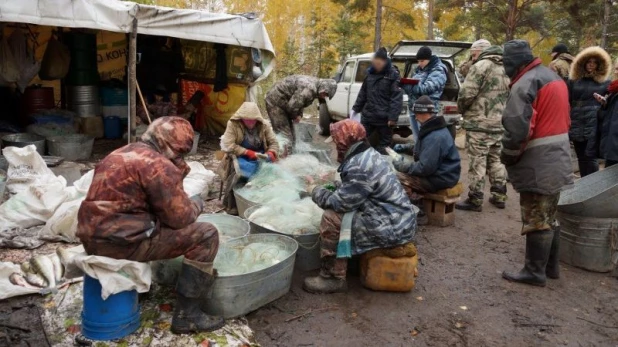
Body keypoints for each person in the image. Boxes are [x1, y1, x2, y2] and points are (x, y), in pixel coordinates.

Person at [76, 117, 224, 333]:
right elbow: (180, 219)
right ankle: (187, 315)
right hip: (122, 244)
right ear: (172, 146)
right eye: (180, 152)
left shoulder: (121, 152)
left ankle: (141, 290)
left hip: (93, 237)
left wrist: (177, 172)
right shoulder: (158, 165)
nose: (180, 157)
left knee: (153, 222)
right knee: (207, 234)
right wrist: (198, 203)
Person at [304, 119, 416, 294]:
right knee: (346, 212)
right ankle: (353, 261)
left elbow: (340, 203)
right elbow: (358, 190)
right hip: (398, 220)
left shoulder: (358, 165)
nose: (334, 146)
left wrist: (314, 190)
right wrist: (333, 185)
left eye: (335, 142)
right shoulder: (367, 154)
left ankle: (332, 277)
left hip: (392, 227)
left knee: (331, 217)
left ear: (344, 141)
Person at [500, 40, 573, 287]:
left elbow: (517, 128)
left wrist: (508, 157)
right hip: (559, 155)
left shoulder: (526, 83)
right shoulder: (552, 77)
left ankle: (534, 271)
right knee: (550, 214)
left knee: (537, 215)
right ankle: (550, 268)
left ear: (514, 62)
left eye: (506, 63)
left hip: (538, 160)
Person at [455, 44, 510, 212]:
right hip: (500, 123)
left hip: (479, 123)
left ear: (479, 51)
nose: (472, 55)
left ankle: (475, 199)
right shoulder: (508, 67)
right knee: (496, 160)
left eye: (473, 52)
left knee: (477, 160)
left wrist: (462, 110)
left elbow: (467, 94)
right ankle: (499, 196)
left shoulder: (480, 66)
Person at [393, 96, 461, 201]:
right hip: (445, 174)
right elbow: (426, 150)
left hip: (441, 178)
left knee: (396, 178)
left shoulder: (435, 136)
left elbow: (425, 168)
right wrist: (407, 148)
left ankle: (414, 205)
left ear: (422, 113)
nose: (415, 118)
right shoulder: (434, 129)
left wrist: (404, 167)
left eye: (416, 114)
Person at [219, 102, 279, 215]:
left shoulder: (264, 125)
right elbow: (229, 144)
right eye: (247, 120)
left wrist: (271, 153)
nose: (250, 122)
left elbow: (274, 142)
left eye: (253, 120)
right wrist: (247, 152)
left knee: (269, 172)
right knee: (240, 171)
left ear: (257, 119)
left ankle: (260, 201)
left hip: (260, 154)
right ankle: (233, 203)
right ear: (241, 118)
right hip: (240, 154)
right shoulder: (233, 124)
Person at [351, 47, 404, 154]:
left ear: (385, 62)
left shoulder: (393, 75)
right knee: (360, 141)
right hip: (368, 116)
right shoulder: (370, 74)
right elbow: (363, 93)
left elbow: (396, 98)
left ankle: (382, 166)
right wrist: (355, 109)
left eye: (379, 63)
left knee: (384, 147)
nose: (376, 65)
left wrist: (393, 117)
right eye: (375, 63)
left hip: (384, 119)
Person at [568, 46, 611, 177]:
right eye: (588, 62)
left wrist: (604, 101)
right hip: (576, 120)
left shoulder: (605, 82)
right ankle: (583, 186)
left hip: (593, 121)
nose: (591, 65)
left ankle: (592, 187)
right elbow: (568, 100)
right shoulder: (573, 81)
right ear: (583, 63)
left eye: (594, 62)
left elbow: (611, 102)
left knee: (590, 156)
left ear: (599, 65)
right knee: (581, 156)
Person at [265, 75, 336, 152]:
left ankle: (288, 154)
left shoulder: (315, 85)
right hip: (275, 101)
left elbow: (300, 102)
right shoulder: (310, 89)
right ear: (323, 88)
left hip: (283, 102)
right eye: (325, 94)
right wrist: (296, 116)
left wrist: (299, 115)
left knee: (291, 137)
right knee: (285, 136)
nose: (324, 96)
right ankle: (282, 159)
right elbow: (292, 107)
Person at [403, 46, 448, 143]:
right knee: (417, 139)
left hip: (427, 111)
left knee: (427, 140)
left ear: (429, 59)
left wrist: (407, 86)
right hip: (414, 108)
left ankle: (426, 157)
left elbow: (427, 88)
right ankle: (419, 157)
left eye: (422, 61)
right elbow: (414, 87)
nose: (419, 64)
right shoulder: (419, 69)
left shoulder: (438, 70)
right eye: (418, 61)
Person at [588, 59, 618, 167]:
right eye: (615, 68)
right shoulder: (614, 89)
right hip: (611, 147)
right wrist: (605, 104)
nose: (615, 72)